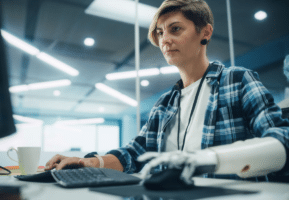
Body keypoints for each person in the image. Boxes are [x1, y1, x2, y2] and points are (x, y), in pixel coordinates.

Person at [45, 0, 289, 181]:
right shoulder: (165, 103)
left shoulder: (237, 81)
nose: (164, 40)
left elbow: (281, 138)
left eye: (175, 29)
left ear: (205, 32)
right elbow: (135, 153)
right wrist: (88, 162)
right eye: (160, 33)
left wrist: (211, 160)